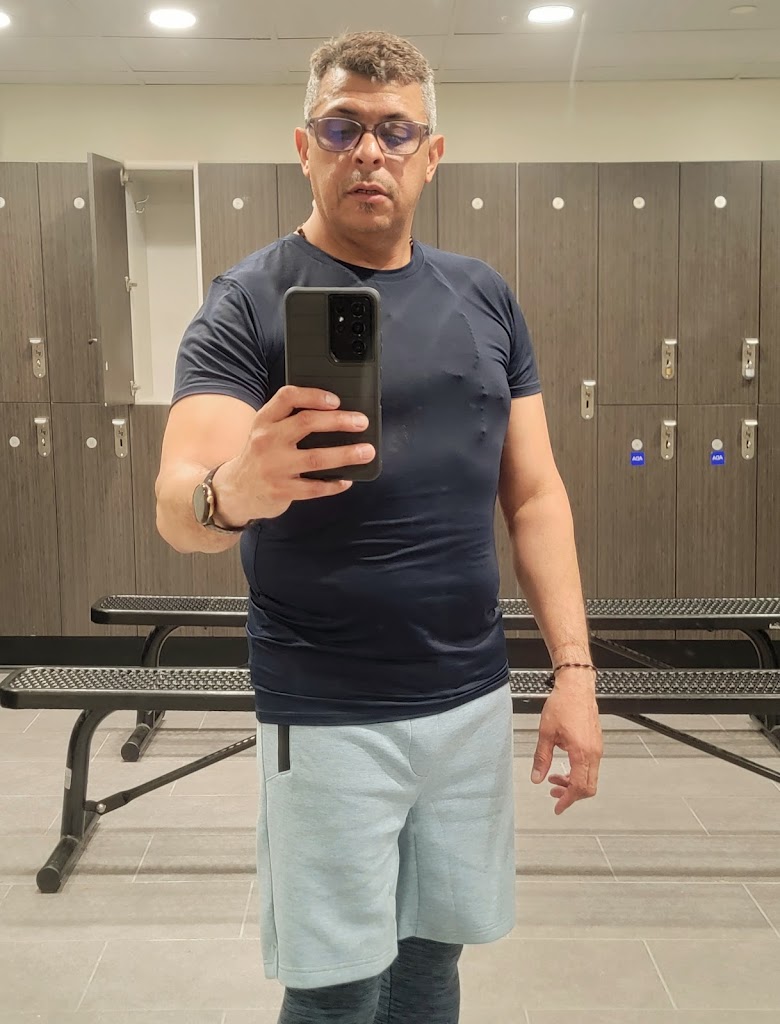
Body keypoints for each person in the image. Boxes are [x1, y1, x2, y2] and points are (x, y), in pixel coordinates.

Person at [156, 29, 603, 1024]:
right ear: (304, 147)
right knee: (336, 986)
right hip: (321, 707)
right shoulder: (248, 301)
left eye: (396, 130)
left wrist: (573, 672)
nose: (369, 150)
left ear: (430, 154)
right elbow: (179, 501)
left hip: (469, 700)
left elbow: (535, 494)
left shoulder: (483, 296)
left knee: (432, 964)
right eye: (342, 127)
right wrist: (233, 488)